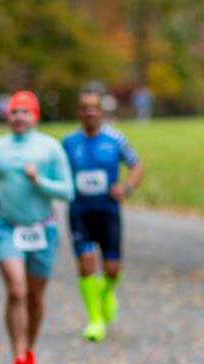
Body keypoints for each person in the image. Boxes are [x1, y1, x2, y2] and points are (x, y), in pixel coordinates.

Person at [0, 90, 73, 364]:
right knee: (16, 291)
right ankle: (18, 357)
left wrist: (39, 181)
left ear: (35, 116)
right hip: (6, 227)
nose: (19, 117)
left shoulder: (50, 148)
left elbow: (67, 191)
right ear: (7, 116)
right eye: (14, 112)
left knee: (35, 297)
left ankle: (29, 350)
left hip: (42, 229)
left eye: (25, 112)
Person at [62, 83, 144, 342]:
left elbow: (137, 165)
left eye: (95, 108)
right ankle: (95, 320)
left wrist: (127, 187)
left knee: (112, 269)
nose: (90, 113)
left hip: (108, 212)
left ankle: (107, 293)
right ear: (78, 112)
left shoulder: (115, 140)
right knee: (86, 264)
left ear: (102, 111)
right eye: (85, 109)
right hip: (80, 213)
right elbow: (55, 173)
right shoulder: (68, 143)